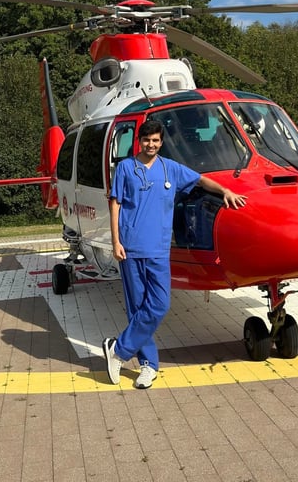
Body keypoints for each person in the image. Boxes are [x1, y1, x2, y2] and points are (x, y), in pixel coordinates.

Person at [103, 119, 247, 389]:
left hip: (158, 249)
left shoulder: (170, 168)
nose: (151, 145)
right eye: (147, 140)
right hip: (130, 248)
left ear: (161, 142)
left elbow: (201, 180)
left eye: (156, 140)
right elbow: (115, 204)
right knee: (137, 309)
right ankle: (148, 365)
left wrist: (225, 191)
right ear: (139, 141)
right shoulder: (125, 168)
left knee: (160, 304)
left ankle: (118, 350)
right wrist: (116, 241)